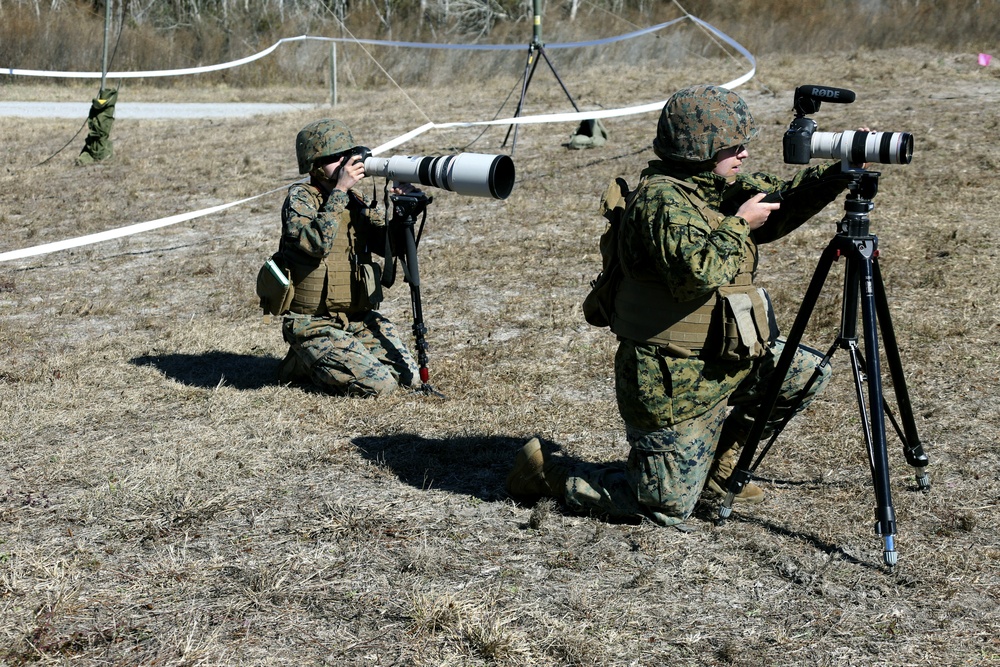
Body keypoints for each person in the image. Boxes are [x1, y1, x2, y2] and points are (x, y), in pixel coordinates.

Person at [507, 84, 859, 527]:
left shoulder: (714, 185)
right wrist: (739, 224)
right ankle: (545, 473)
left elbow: (779, 206)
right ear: (700, 148)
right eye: (734, 146)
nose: (745, 154)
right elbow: (698, 273)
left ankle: (718, 472)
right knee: (663, 507)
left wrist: (841, 172)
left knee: (803, 374)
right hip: (671, 377)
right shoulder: (660, 201)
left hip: (726, 355)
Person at [270, 118, 420, 397]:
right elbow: (315, 244)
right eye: (334, 158)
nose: (344, 163)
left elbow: (388, 246)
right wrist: (339, 191)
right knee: (381, 386)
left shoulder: (356, 199)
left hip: (357, 317)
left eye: (347, 155)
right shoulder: (301, 199)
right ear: (314, 165)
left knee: (408, 378)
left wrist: (403, 211)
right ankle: (303, 361)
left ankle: (337, 352)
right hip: (312, 323)